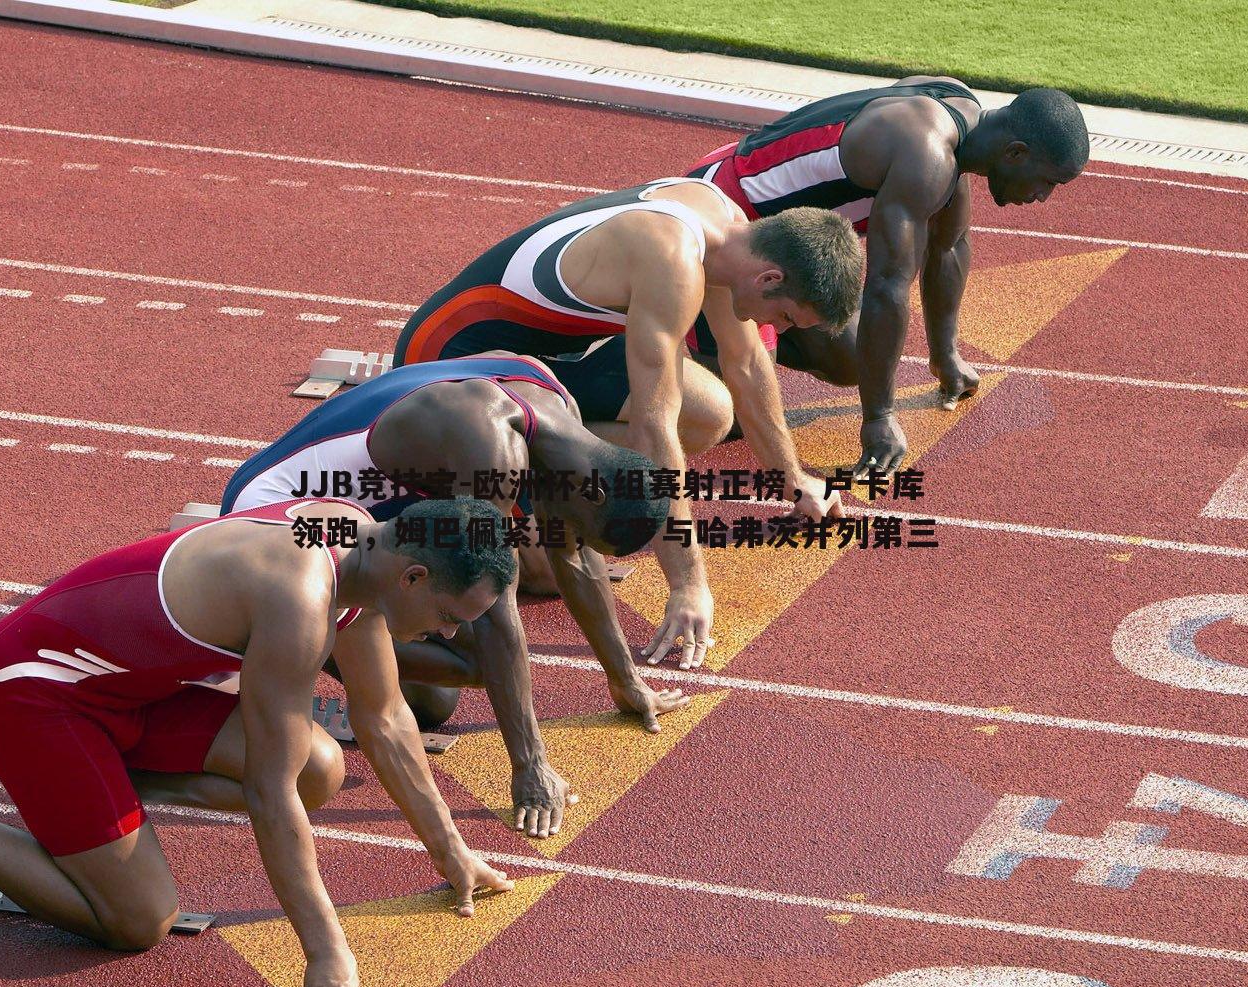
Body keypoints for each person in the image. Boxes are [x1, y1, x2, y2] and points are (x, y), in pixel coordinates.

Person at [0, 497, 518, 987]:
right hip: (36, 691)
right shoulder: (300, 597)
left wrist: (452, 853)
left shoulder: (358, 541)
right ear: (414, 578)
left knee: (321, 767)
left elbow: (388, 718)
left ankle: (88, 807)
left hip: (128, 695)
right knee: (139, 919)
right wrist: (326, 953)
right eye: (453, 619)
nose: (451, 636)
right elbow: (267, 793)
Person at [393, 176, 863, 666]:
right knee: (544, 567)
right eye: (785, 317)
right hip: (447, 359)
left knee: (709, 413)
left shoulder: (732, 233)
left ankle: (541, 456)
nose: (779, 331)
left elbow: (745, 363)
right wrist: (688, 584)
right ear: (769, 279)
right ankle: (516, 462)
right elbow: (652, 429)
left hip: (543, 354)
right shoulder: (673, 260)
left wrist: (791, 478)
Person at [220, 351, 688, 838]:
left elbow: (572, 557)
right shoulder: (491, 457)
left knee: (441, 696)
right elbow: (493, 612)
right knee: (478, 662)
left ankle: (334, 642)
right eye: (583, 530)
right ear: (591, 494)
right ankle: (298, 642)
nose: (571, 540)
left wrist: (626, 681)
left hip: (358, 511)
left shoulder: (558, 415)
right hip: (275, 518)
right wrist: (530, 766)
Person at [687, 81, 1090, 474]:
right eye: (1048, 182)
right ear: (1015, 152)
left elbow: (949, 244)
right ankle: (664, 333)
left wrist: (945, 355)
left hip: (770, 239)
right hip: (724, 224)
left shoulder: (960, 116)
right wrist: (879, 416)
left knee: (851, 356)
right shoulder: (925, 155)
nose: (1043, 196)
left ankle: (734, 338)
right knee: (732, 414)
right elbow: (886, 286)